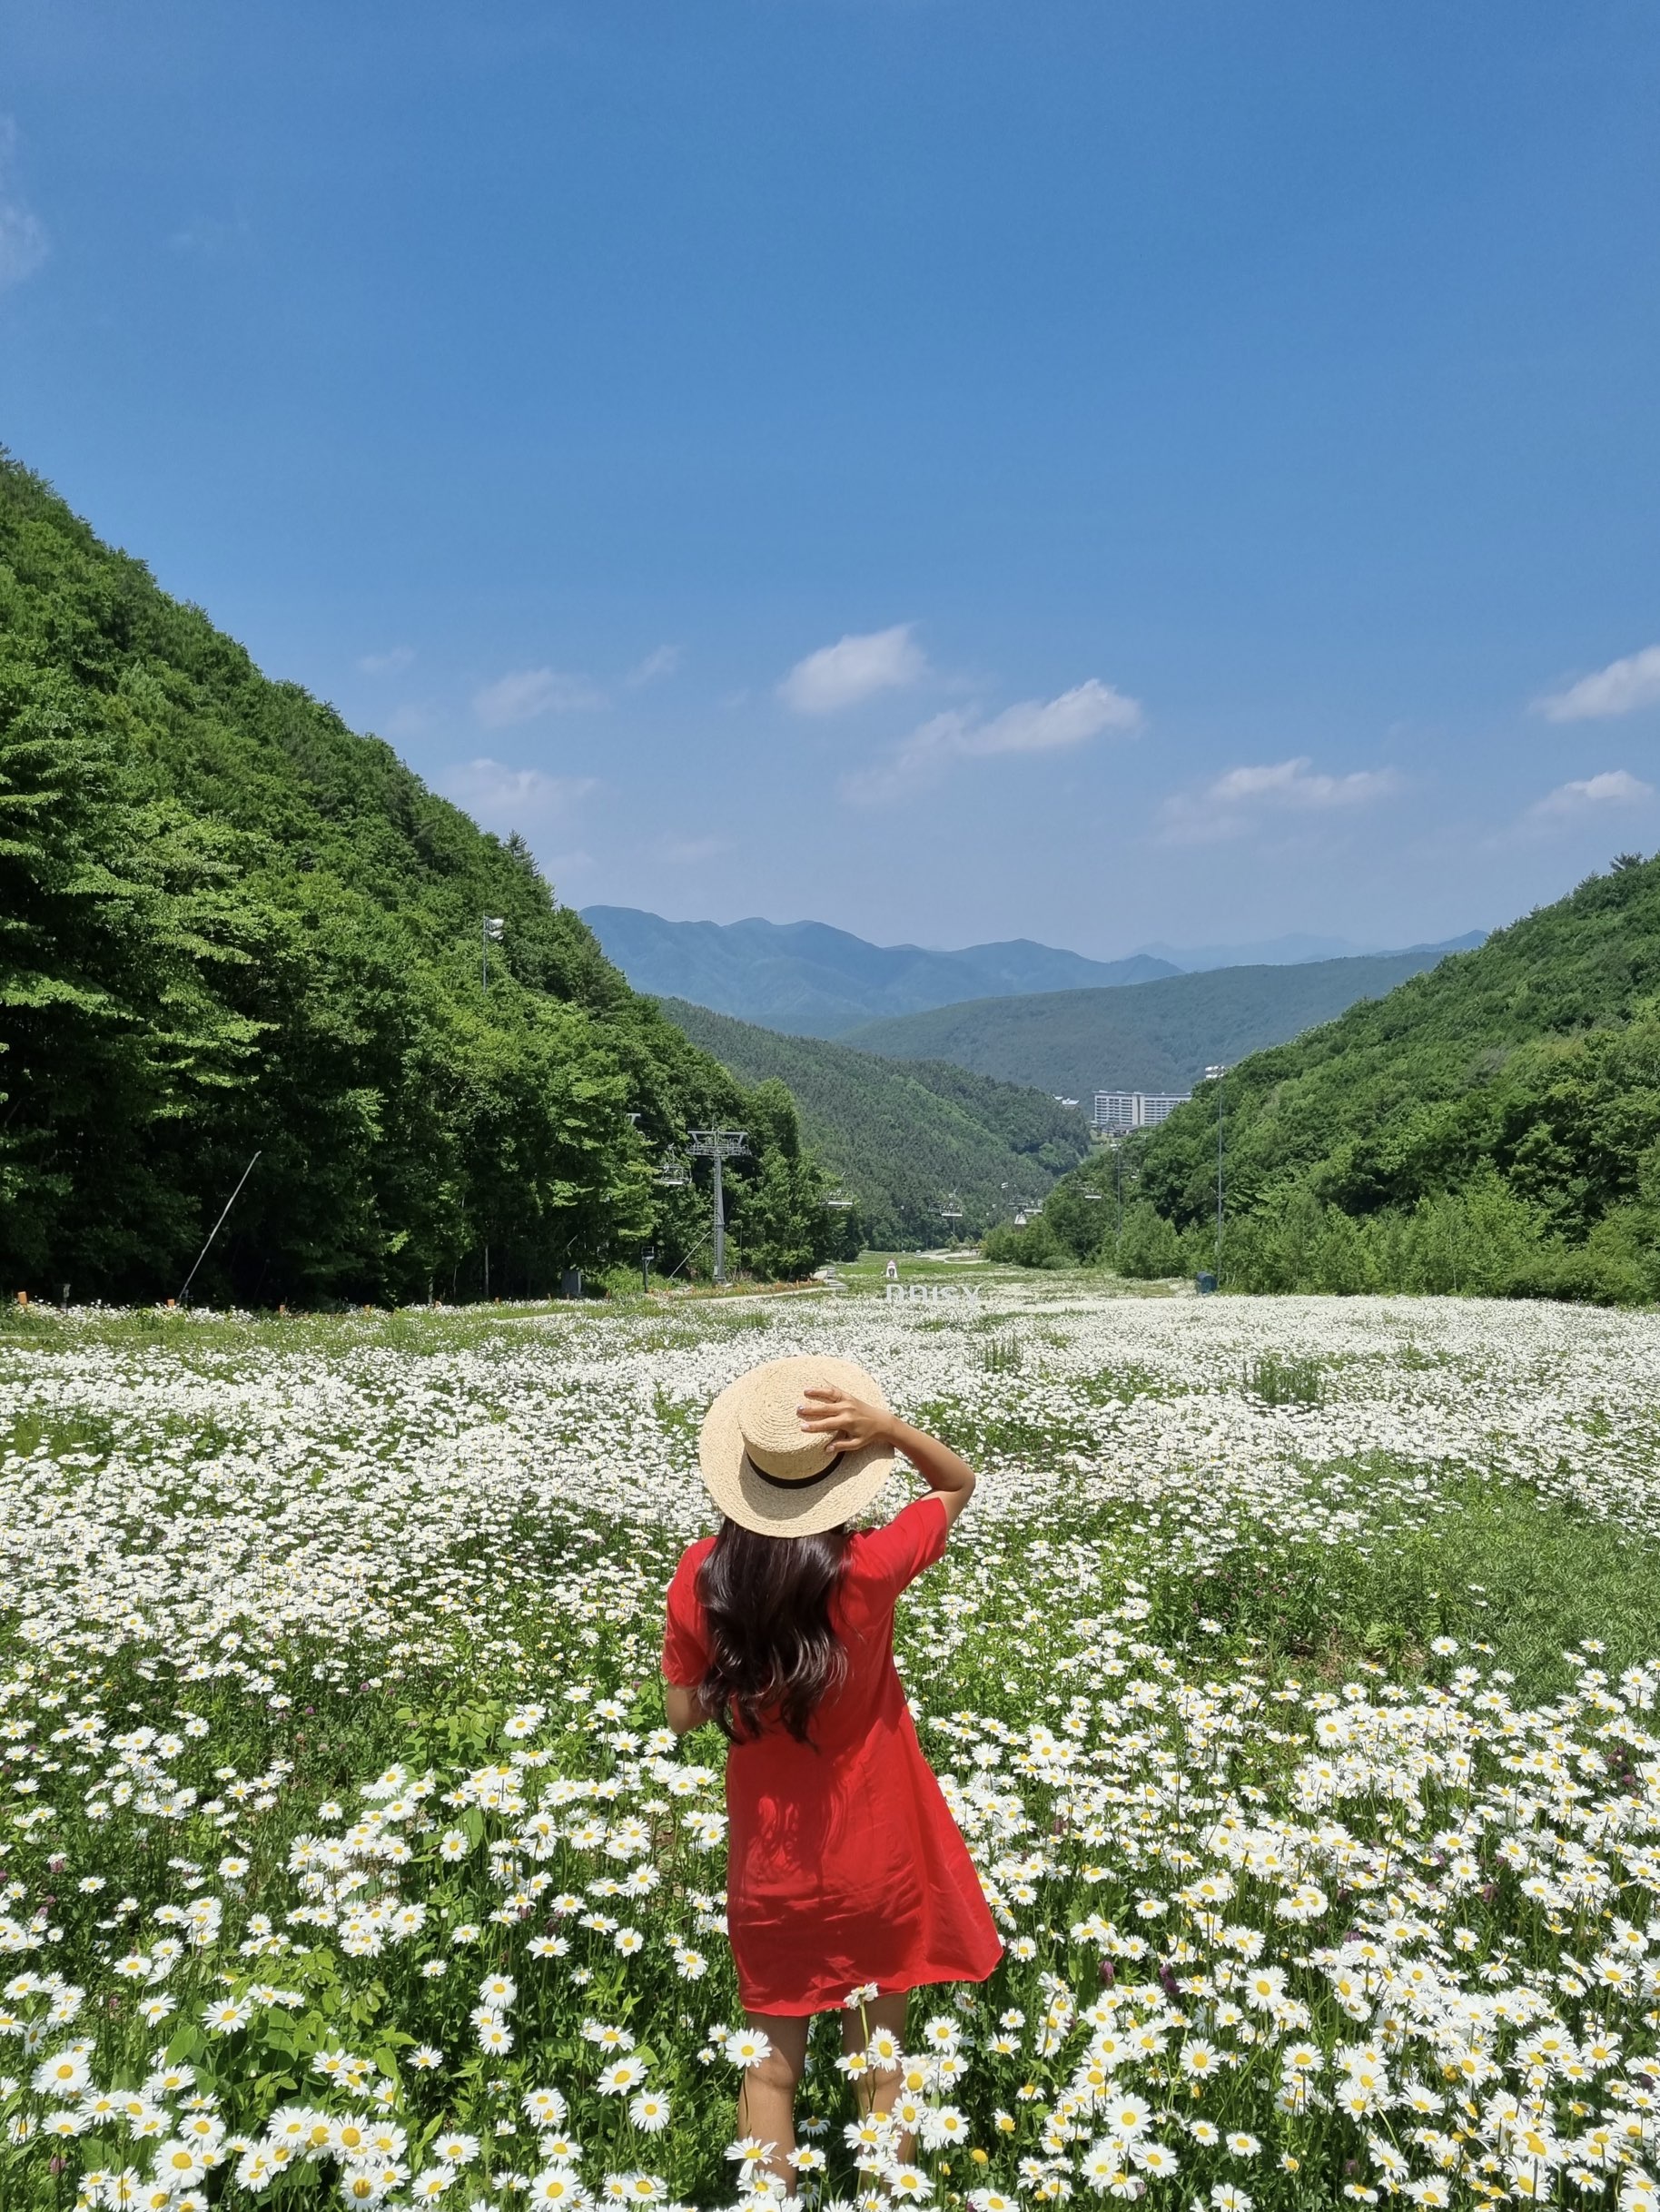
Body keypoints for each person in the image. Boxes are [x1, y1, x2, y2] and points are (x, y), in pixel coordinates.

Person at [661, 1353, 1001, 2187]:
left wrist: (745, 1665)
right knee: (881, 2067)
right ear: (842, 1475)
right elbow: (957, 1485)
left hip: (771, 1870)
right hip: (879, 1862)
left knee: (771, 2067)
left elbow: (680, 1713)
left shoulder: (703, 1577)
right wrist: (888, 1429)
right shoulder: (871, 1569)